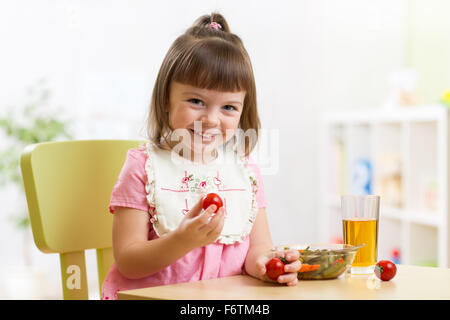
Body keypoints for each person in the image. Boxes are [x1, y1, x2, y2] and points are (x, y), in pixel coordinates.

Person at [101, 12, 300, 300]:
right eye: (196, 101)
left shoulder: (245, 172)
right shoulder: (143, 167)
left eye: (229, 107)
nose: (210, 119)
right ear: (165, 100)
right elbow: (129, 261)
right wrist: (181, 241)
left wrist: (265, 264)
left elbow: (258, 247)